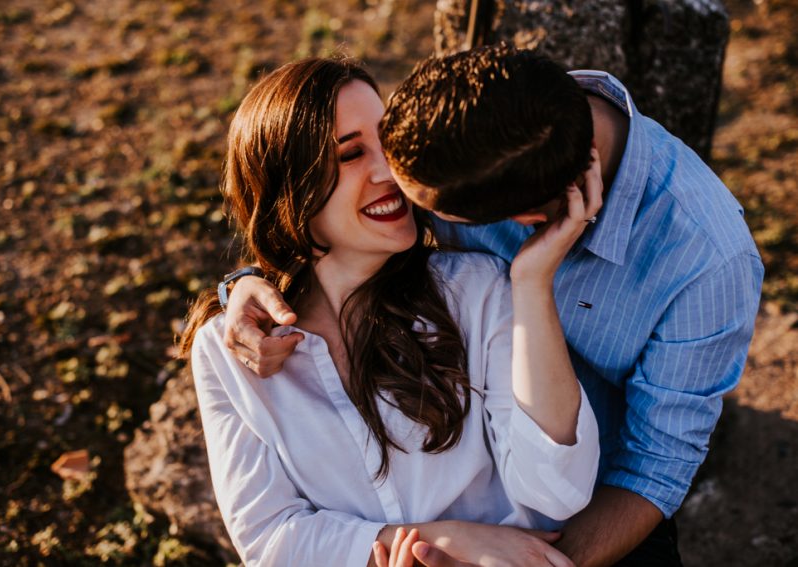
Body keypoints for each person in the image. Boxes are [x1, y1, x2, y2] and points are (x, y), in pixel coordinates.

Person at [222, 44, 764, 566]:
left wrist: (515, 563)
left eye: (422, 206)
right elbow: (313, 195)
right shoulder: (471, 125)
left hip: (594, 506)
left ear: (525, 219)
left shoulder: (709, 260)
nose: (389, 180)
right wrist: (260, 275)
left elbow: (651, 471)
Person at [180, 56, 602, 567]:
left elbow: (557, 491)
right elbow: (269, 541)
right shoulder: (228, 348)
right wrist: (438, 540)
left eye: (387, 142)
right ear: (290, 188)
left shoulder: (477, 290)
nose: (389, 172)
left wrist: (532, 282)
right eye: (352, 153)